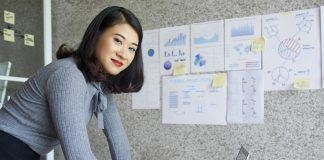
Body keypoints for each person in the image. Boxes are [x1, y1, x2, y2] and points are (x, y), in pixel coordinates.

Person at [0, 6, 143, 160]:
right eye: (118, 40)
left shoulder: (99, 84)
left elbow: (117, 138)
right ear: (97, 36)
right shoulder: (69, 75)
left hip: (26, 152)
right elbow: (78, 156)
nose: (123, 54)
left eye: (132, 49)